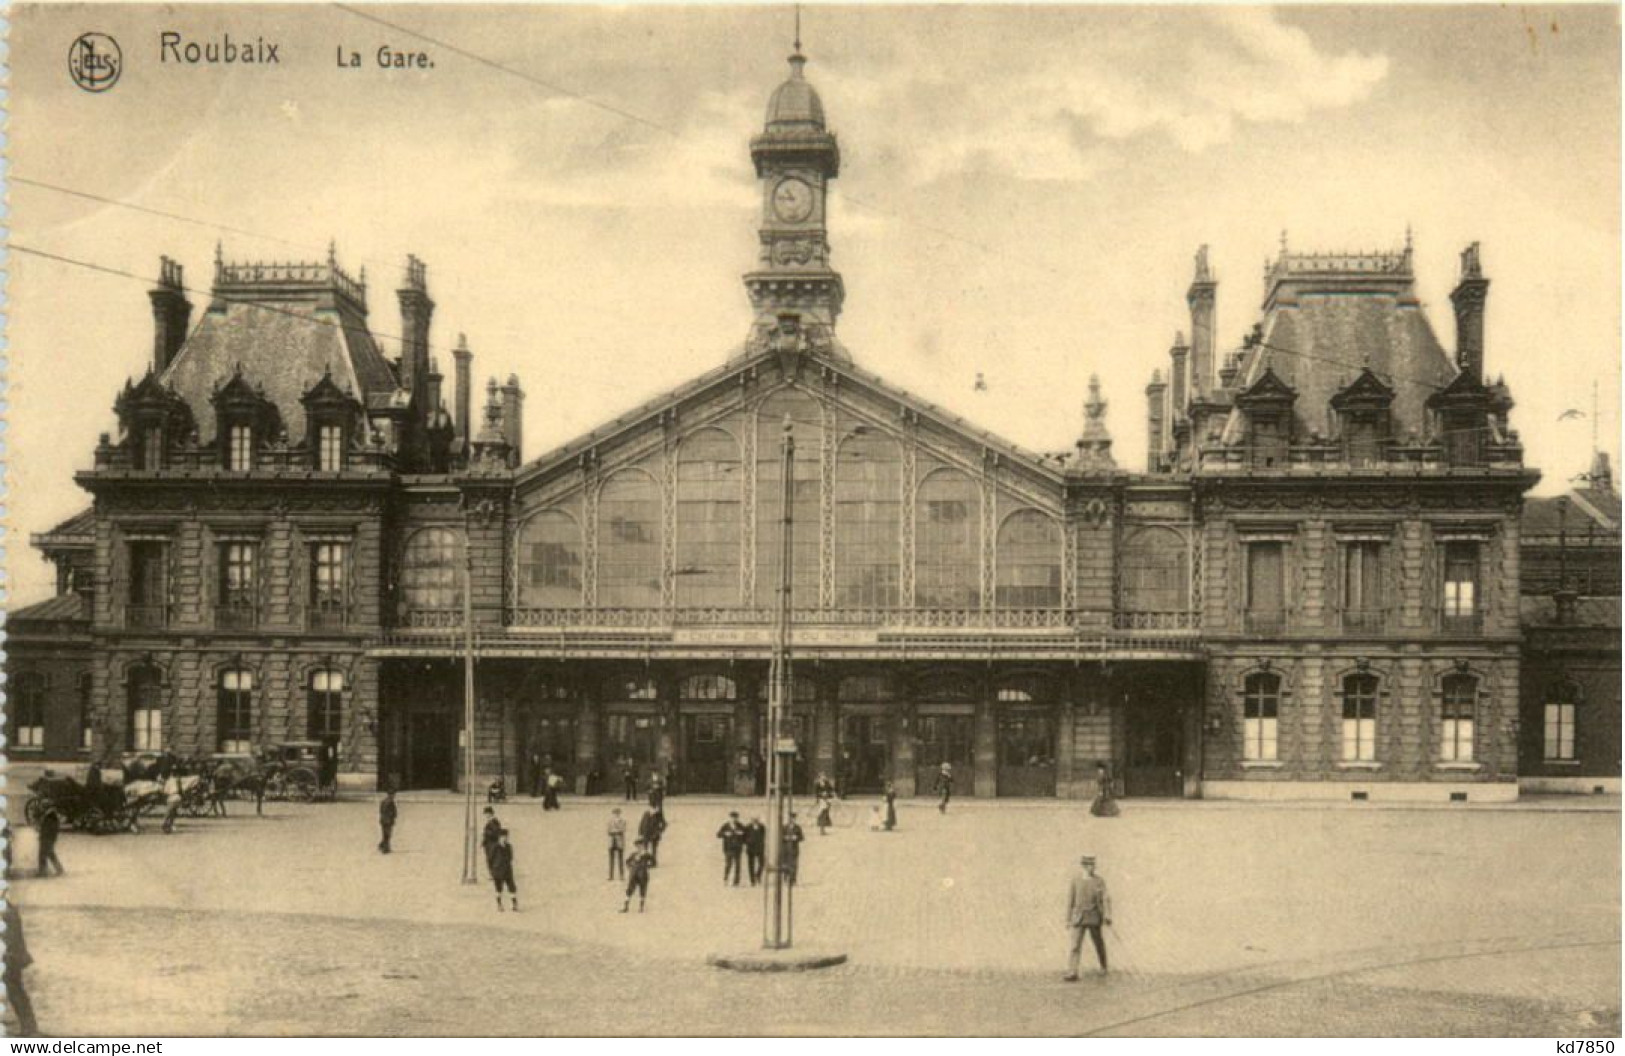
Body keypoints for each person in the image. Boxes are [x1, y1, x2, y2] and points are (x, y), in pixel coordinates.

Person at [1064, 854, 1112, 980]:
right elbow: (1070, 900)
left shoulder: (1099, 881)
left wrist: (1107, 915)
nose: (1092, 868)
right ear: (1083, 866)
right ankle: (1072, 971)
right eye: (1089, 865)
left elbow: (1106, 899)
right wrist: (1068, 919)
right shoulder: (1075, 881)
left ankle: (1103, 967)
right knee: (1075, 945)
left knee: (1098, 943)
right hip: (1078, 918)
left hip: (1095, 917)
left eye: (1093, 865)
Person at [3, 899, 39, 1036]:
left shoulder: (7, 911)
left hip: (9, 956)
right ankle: (29, 1027)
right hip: (10, 954)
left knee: (15, 990)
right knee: (15, 990)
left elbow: (10, 938)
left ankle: (29, 1028)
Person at [621, 838, 653, 913]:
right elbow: (627, 861)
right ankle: (626, 907)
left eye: (640, 846)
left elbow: (653, 863)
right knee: (629, 890)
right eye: (637, 846)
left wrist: (647, 866)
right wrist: (630, 867)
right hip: (633, 875)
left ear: (643, 846)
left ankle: (641, 907)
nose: (639, 847)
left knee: (642, 890)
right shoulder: (633, 854)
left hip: (643, 875)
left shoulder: (647, 855)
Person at [490, 829, 518, 912]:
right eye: (502, 837)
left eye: (506, 837)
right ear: (499, 837)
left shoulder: (509, 846)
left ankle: (514, 904)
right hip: (498, 870)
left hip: (507, 870)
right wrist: (493, 869)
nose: (504, 838)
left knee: (512, 887)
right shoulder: (495, 847)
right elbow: (490, 859)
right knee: (498, 888)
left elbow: (510, 857)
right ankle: (499, 904)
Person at [716, 811, 747, 886]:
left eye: (735, 818)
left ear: (737, 818)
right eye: (732, 818)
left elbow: (746, 836)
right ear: (729, 818)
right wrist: (725, 834)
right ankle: (726, 879)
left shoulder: (740, 825)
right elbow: (718, 834)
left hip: (737, 849)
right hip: (728, 848)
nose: (734, 819)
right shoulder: (725, 826)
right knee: (728, 864)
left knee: (737, 865)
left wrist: (742, 834)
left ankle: (736, 882)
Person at [36, 805, 64, 877]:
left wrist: (42, 835)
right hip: (49, 838)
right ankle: (59, 869)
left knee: (43, 854)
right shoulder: (52, 816)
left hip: (47, 838)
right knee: (50, 854)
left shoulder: (50, 816)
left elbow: (46, 828)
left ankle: (43, 872)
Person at [782, 811, 805, 887]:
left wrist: (796, 838)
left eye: (793, 818)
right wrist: (785, 838)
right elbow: (780, 837)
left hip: (794, 849)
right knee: (786, 864)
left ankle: (793, 879)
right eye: (791, 818)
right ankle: (786, 877)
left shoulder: (798, 828)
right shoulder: (784, 827)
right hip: (786, 849)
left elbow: (802, 838)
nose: (792, 820)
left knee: (794, 865)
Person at [744, 815, 766, 885]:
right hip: (751, 849)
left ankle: (758, 875)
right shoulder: (747, 827)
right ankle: (752, 881)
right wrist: (749, 842)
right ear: (751, 820)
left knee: (762, 863)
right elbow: (744, 838)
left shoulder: (762, 827)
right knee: (751, 865)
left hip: (760, 848)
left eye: (756, 819)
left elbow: (763, 837)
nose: (755, 821)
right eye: (753, 819)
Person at [607, 807, 627, 880]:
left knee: (620, 859)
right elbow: (608, 831)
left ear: (619, 814)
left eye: (617, 813)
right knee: (611, 859)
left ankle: (621, 875)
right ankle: (611, 875)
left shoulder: (623, 821)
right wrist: (616, 830)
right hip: (611, 841)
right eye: (615, 814)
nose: (616, 815)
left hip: (619, 841)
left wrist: (615, 830)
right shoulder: (610, 821)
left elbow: (623, 830)